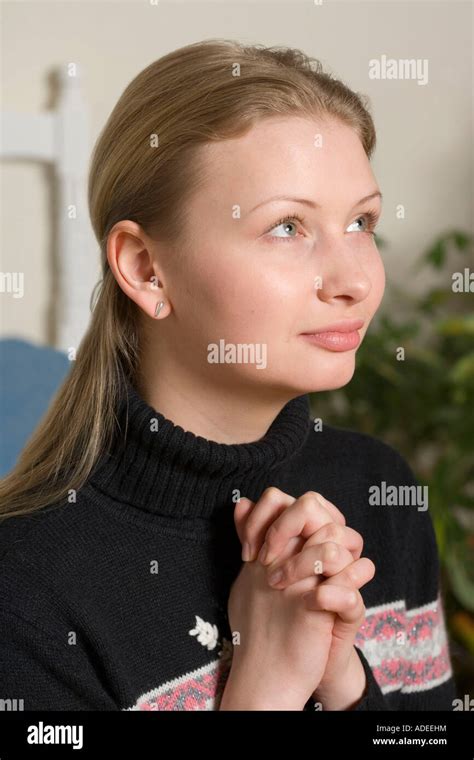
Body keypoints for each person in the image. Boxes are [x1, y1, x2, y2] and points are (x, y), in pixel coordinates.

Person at [0, 39, 456, 711]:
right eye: (287, 228)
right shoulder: (25, 594)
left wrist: (346, 681)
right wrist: (264, 687)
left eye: (361, 221)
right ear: (147, 269)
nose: (356, 280)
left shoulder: (378, 489)